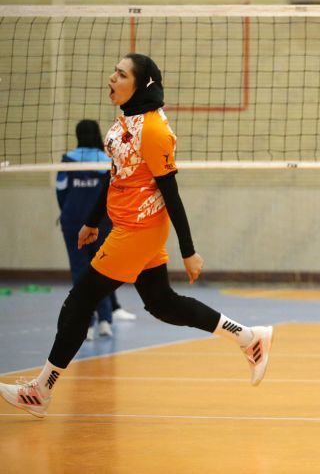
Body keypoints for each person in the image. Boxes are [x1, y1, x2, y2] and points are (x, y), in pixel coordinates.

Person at [0, 53, 273, 418]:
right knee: (162, 303)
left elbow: (171, 192)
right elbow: (116, 174)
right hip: (130, 226)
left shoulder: (154, 130)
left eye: (121, 74)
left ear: (140, 85)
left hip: (137, 231)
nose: (111, 78)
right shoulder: (126, 119)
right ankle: (249, 337)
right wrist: (92, 220)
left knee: (79, 302)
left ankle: (40, 391)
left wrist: (188, 250)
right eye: (114, 71)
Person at [56, 120, 115, 340]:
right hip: (102, 224)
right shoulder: (108, 160)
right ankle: (105, 321)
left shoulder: (67, 160)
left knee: (80, 273)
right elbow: (114, 192)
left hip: (73, 223)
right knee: (103, 271)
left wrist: (69, 214)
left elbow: (61, 191)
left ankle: (86, 324)